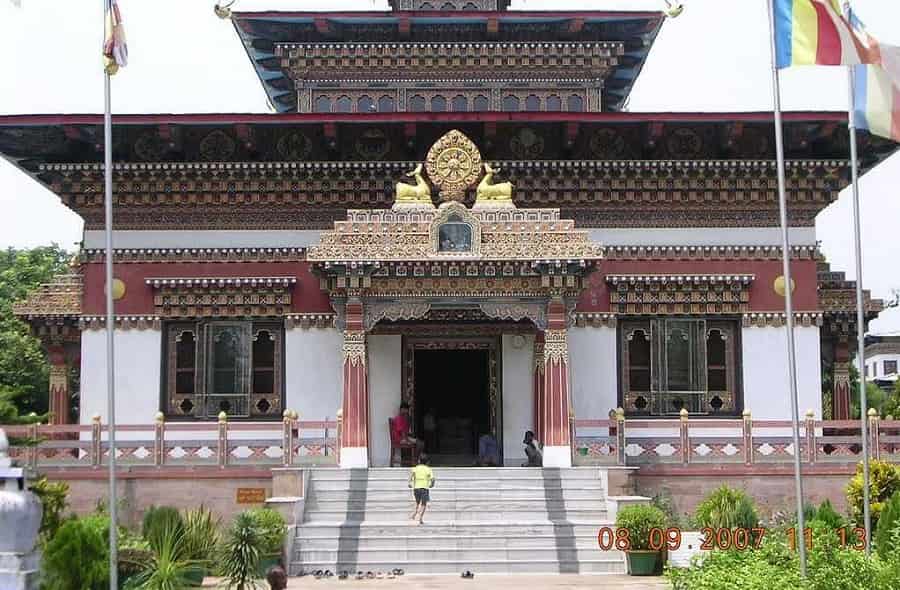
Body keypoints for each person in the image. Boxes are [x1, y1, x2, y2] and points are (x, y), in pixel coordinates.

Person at [408, 452, 435, 525]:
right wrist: (432, 484)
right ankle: (420, 518)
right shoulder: (428, 469)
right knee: (423, 504)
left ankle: (414, 513)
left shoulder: (415, 468)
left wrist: (409, 483)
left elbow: (411, 476)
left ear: (419, 461)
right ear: (427, 462)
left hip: (416, 488)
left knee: (417, 502)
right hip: (424, 488)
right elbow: (432, 479)